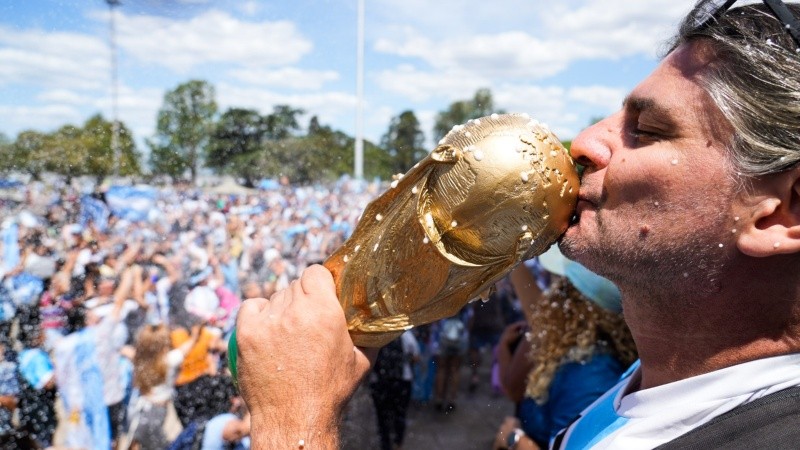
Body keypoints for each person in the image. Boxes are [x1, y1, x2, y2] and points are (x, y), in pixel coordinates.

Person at [234, 2, 800, 448]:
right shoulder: (656, 390)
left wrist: (292, 422)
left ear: (783, 211)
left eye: (646, 131)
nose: (583, 142)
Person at [491, 254, 637, 450]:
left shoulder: (589, 372)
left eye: (559, 283)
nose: (550, 294)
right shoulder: (578, 350)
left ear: (573, 301)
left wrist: (515, 440)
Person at [369, 331, 420, 450]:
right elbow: (416, 357)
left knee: (382, 417)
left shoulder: (375, 336)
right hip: (402, 381)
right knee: (400, 414)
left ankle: (385, 444)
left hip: (379, 383)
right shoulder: (406, 334)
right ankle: (398, 443)